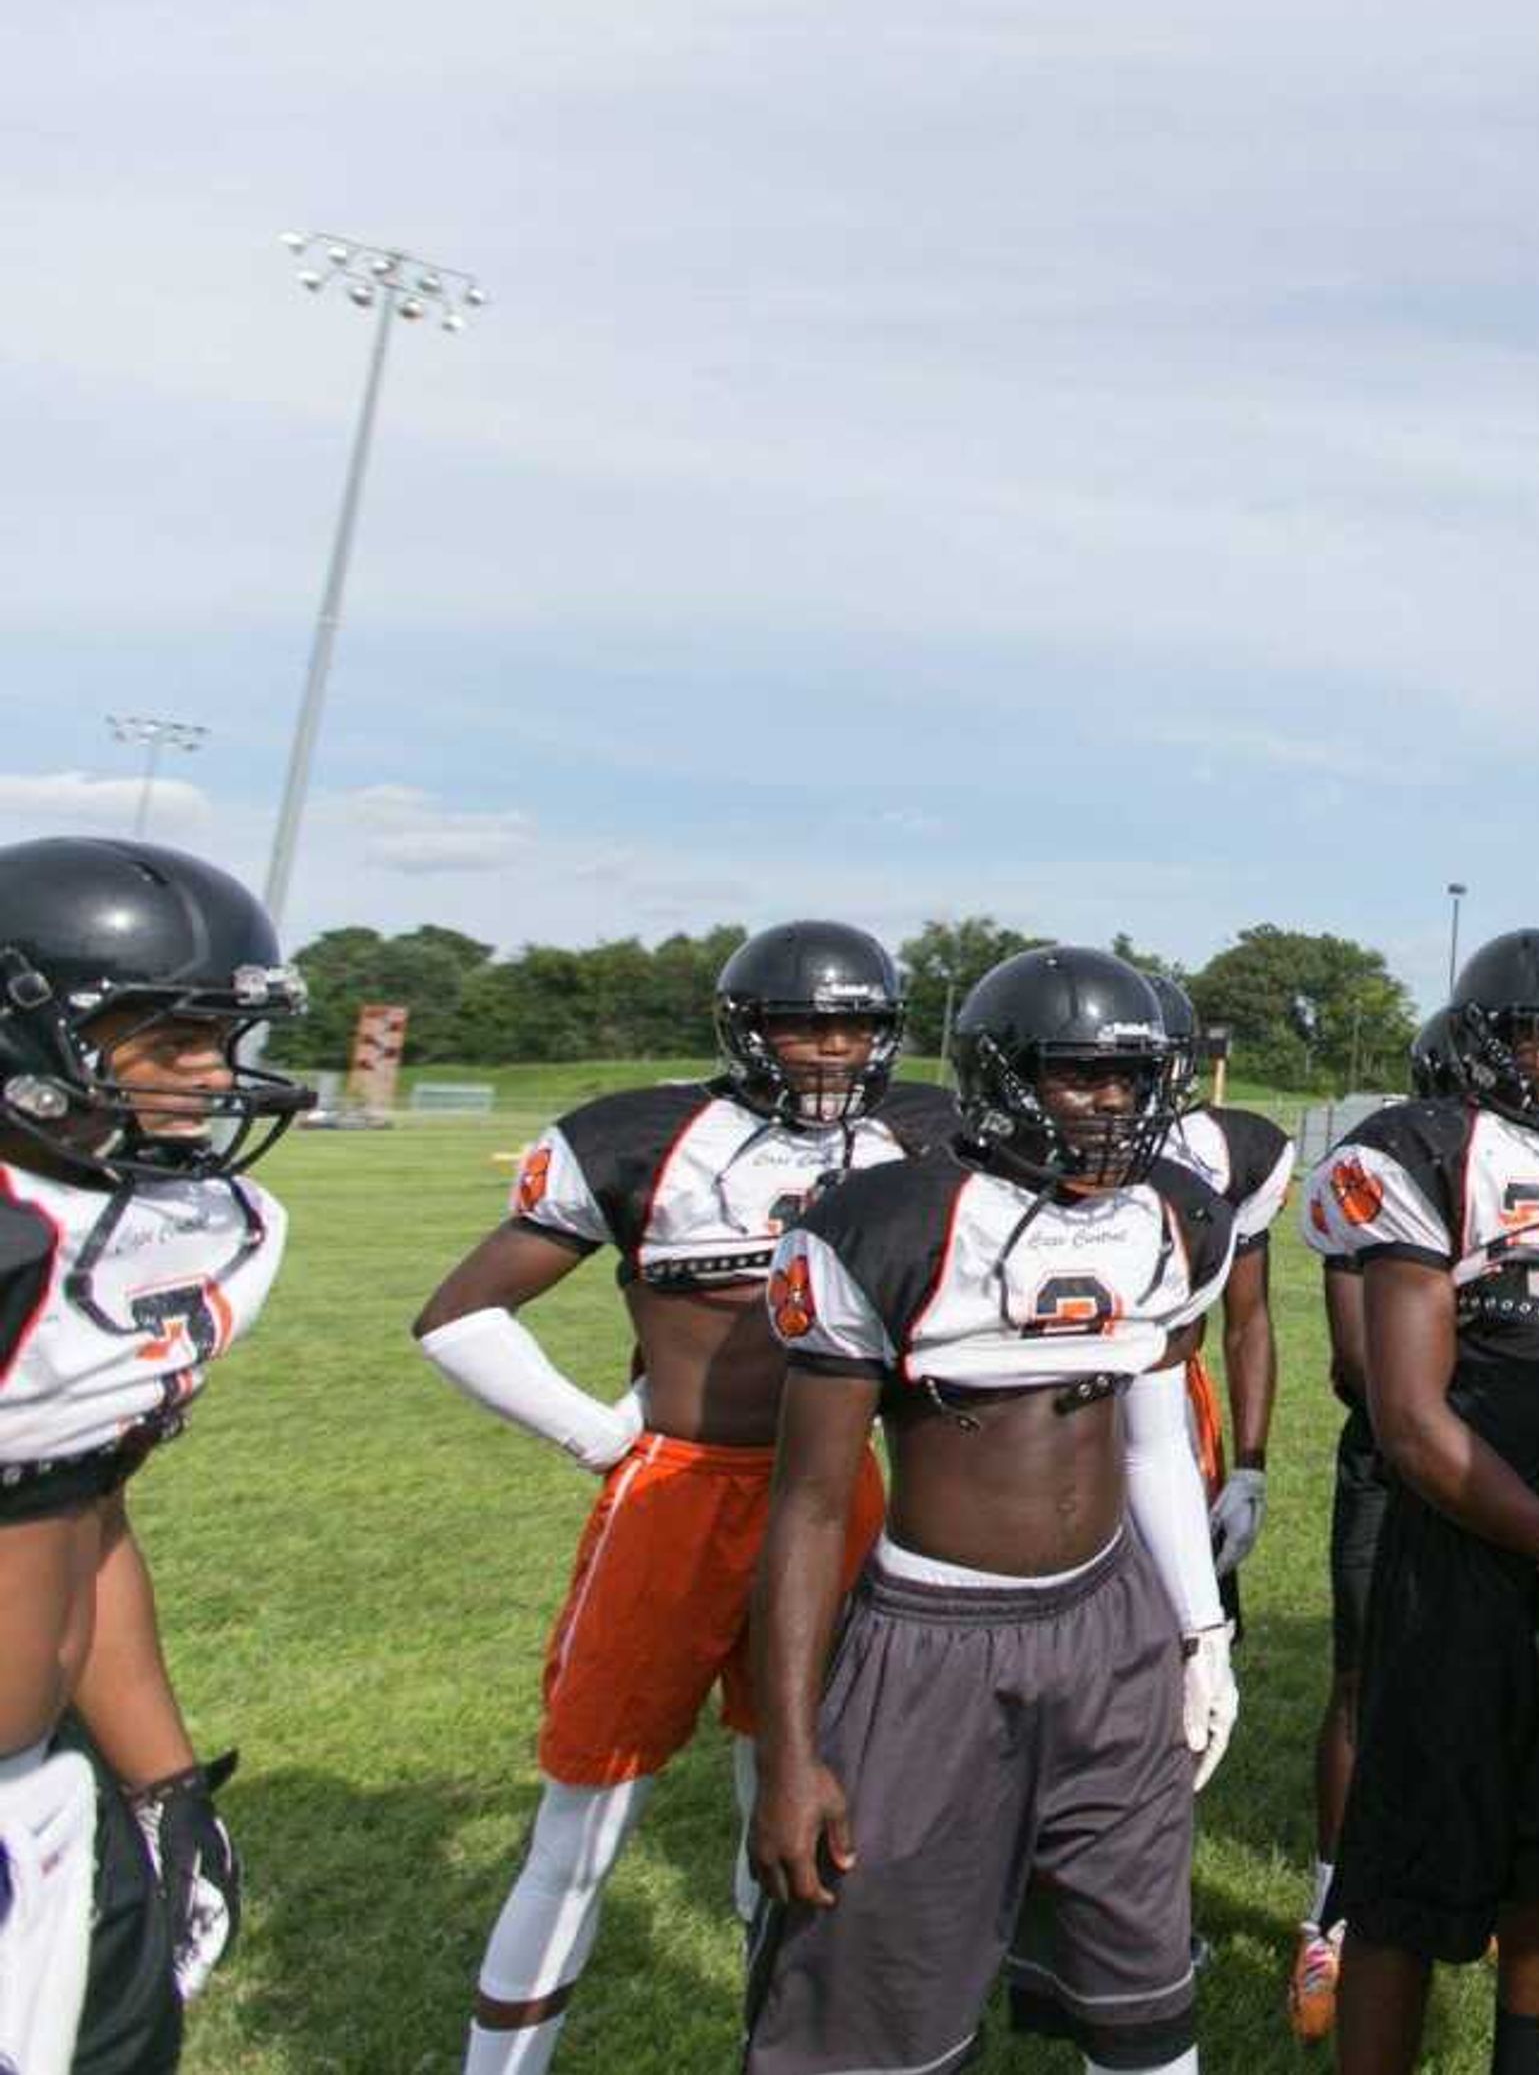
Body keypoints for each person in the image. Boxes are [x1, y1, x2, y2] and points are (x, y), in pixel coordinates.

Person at [416, 919, 948, 2075]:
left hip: (837, 1490)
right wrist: (597, 1431)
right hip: (679, 1492)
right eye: (804, 1023)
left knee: (799, 1784)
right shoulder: (645, 1136)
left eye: (854, 1022)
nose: (830, 1047)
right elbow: (457, 1315)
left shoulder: (920, 1131)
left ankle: (777, 2038)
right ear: (745, 1027)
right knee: (587, 1815)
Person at [741, 943, 1237, 2075]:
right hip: (933, 1631)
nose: (1113, 1102)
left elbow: (1152, 1427)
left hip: (1111, 1617)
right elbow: (812, 1508)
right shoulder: (884, 1222)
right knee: (881, 1977)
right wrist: (789, 1749)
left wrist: (1199, 1628)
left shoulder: (1172, 1214)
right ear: (1003, 1073)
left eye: (1132, 1075)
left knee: (1142, 1962)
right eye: (1077, 1074)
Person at [1311, 928, 1539, 2075]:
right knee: (1408, 1866)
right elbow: (1410, 1418)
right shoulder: (1419, 1150)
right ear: (1483, 1038)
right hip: (1465, 1548)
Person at [0, 837, 303, 2075]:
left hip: (53, 1782)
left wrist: (166, 1783)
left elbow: (87, 1515)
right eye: (163, 1036)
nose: (209, 1075)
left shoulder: (156, 1219)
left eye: (220, 1036)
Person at [1282, 1019, 1452, 2045]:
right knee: (1362, 1673)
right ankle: (1330, 1911)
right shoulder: (1372, 1162)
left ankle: (1440, 1869)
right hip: (1398, 1459)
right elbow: (1361, 1366)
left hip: (1492, 1463)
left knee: (1468, 1677)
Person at [1147, 976, 1295, 1624]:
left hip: (1171, 1394)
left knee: (1185, 1616)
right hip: (1041, 1407)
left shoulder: (1230, 1149)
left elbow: (1248, 1320)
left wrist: (1250, 1468)